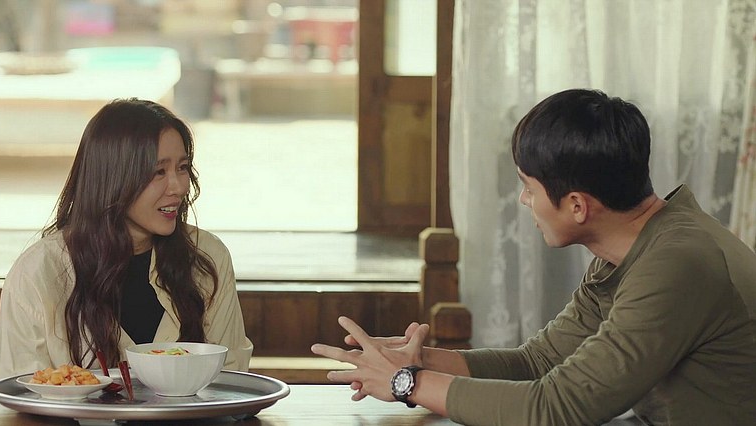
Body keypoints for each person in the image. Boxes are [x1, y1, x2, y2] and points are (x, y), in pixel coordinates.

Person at [311, 89, 756, 425]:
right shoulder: (636, 247)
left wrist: (404, 383)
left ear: (577, 205)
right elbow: (538, 362)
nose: (524, 201)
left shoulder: (676, 264)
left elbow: (557, 408)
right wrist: (419, 361)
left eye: (529, 187)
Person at [0, 98, 253, 379]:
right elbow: (21, 390)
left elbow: (231, 379)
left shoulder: (207, 257)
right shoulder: (37, 273)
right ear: (113, 178)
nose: (178, 187)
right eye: (159, 172)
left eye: (182, 167)